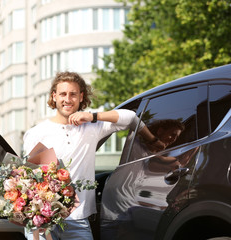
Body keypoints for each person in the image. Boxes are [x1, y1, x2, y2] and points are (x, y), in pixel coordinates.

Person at [23, 71, 164, 240]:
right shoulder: (37, 133)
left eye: (73, 94)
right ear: (54, 96)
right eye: (62, 94)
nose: (67, 99)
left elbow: (130, 117)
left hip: (78, 220)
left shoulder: (91, 127)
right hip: (43, 220)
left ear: (81, 97)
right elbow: (30, 178)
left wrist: (92, 116)